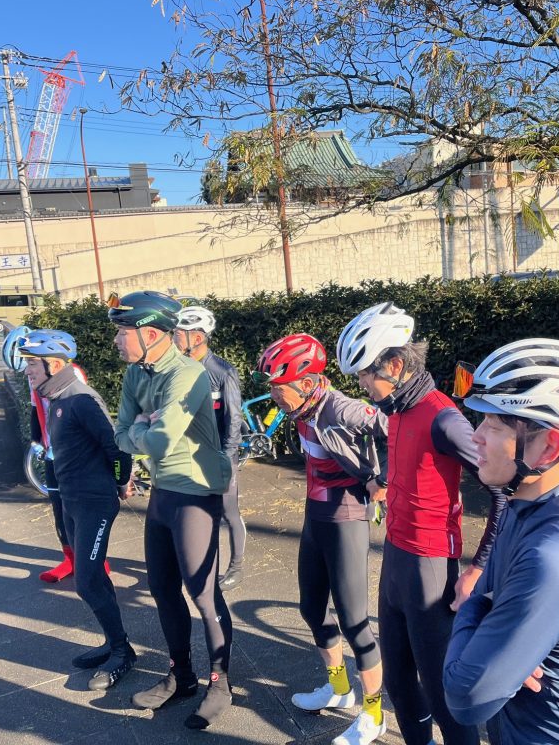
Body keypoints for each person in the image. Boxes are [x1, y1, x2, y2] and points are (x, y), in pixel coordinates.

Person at [441, 338, 559, 744]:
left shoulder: (554, 554)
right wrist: (504, 647)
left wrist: (477, 610)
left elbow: (466, 696)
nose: (476, 436)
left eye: (493, 425)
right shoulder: (525, 504)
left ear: (548, 446)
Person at [336, 302, 506, 745]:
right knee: (398, 682)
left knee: (442, 692)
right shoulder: (397, 408)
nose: (361, 385)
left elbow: (503, 493)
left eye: (364, 374)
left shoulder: (442, 417)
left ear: (395, 365)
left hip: (430, 565)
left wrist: (478, 568)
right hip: (395, 556)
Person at [109, 291, 234, 730]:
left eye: (123, 332)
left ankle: (220, 684)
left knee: (203, 594)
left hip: (196, 492)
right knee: (163, 589)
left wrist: (140, 431)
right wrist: (140, 430)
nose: (117, 340)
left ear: (151, 334)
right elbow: (120, 434)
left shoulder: (189, 374)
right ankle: (181, 676)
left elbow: (158, 441)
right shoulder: (136, 373)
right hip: (163, 491)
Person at [255, 333, 387, 745]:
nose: (274, 396)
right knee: (312, 609)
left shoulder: (342, 409)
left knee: (355, 622)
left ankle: (374, 714)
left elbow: (393, 429)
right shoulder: (303, 408)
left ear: (308, 383)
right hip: (315, 515)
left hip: (346, 519)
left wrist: (382, 480)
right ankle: (340, 688)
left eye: (279, 388)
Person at [18, 329, 137, 690]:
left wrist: (120, 482)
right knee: (93, 579)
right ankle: (115, 643)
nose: (27, 370)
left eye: (32, 364)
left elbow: (117, 448)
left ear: (54, 365)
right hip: (72, 500)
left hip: (94, 503)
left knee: (86, 581)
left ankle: (122, 653)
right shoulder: (55, 397)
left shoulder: (80, 399)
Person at [2, 326, 111, 584]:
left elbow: (85, 419)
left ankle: (95, 561)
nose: (27, 370)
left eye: (30, 363)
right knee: (59, 510)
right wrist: (37, 441)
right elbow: (35, 411)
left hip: (73, 459)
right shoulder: (36, 380)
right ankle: (70, 559)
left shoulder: (73, 378)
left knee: (80, 514)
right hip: (53, 455)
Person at [173, 303, 247, 591]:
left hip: (219, 456)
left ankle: (236, 567)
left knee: (228, 512)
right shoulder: (178, 368)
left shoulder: (222, 371)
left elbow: (234, 418)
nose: (174, 338)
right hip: (190, 455)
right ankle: (203, 566)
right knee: (199, 514)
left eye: (179, 333)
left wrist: (226, 458)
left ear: (197, 337)